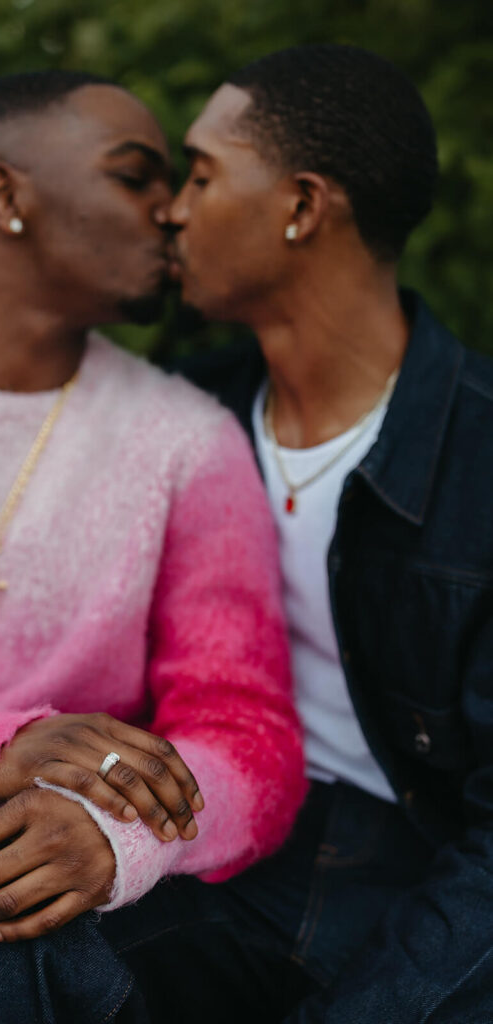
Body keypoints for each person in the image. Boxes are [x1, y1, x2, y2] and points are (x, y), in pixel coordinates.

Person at [0, 71, 306, 1024]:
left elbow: (249, 736)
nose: (172, 213)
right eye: (134, 176)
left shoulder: (188, 444)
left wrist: (115, 830)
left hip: (22, 935)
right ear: (6, 197)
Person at [165, 42, 493, 1022]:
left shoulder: (475, 451)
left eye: (201, 173)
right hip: (236, 836)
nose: (172, 210)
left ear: (302, 207)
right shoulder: (186, 421)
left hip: (428, 868)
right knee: (5, 941)